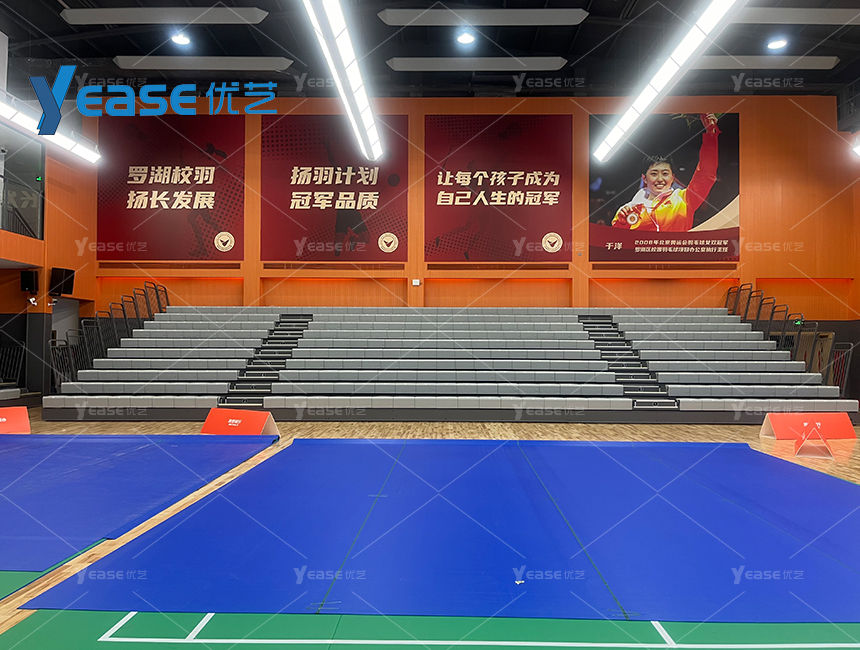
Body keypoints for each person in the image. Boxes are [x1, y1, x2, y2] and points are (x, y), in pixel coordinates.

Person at [611, 113, 719, 232]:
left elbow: (705, 176)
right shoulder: (629, 210)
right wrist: (622, 223)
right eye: (654, 174)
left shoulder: (684, 200)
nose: (660, 179)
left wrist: (711, 136)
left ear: (673, 178)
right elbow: (619, 240)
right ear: (644, 178)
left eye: (665, 174)